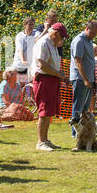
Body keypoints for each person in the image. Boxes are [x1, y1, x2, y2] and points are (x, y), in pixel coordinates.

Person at [30, 22, 66, 150]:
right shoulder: (43, 42)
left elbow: (53, 65)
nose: (62, 40)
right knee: (44, 111)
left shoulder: (52, 44)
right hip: (43, 79)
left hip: (51, 79)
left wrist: (61, 76)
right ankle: (40, 142)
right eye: (62, 37)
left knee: (49, 112)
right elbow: (42, 64)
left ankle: (45, 139)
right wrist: (58, 74)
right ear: (55, 33)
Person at [70, 20, 97, 136]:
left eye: (96, 34)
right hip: (80, 78)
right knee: (78, 106)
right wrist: (86, 79)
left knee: (86, 107)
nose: (94, 35)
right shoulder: (79, 41)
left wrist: (91, 79)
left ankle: (85, 131)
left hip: (89, 79)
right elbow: (78, 61)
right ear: (87, 28)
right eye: (92, 33)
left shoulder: (89, 40)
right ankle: (75, 132)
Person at [9, 17, 37, 86]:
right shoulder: (20, 36)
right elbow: (20, 49)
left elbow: (41, 37)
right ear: (24, 25)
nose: (31, 27)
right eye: (30, 24)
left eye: (33, 25)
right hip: (20, 65)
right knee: (19, 85)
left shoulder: (36, 33)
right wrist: (23, 60)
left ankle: (26, 96)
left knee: (29, 84)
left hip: (30, 65)